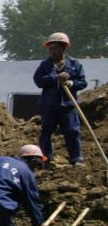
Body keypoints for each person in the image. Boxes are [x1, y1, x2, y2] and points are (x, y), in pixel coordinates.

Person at [34, 32, 88, 166]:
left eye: (55, 48)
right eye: (50, 49)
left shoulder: (75, 64)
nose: (52, 52)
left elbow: (82, 82)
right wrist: (55, 77)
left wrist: (71, 83)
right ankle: (46, 159)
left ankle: (76, 159)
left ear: (63, 48)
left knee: (72, 131)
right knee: (47, 132)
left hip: (68, 106)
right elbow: (38, 81)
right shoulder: (45, 65)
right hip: (49, 105)